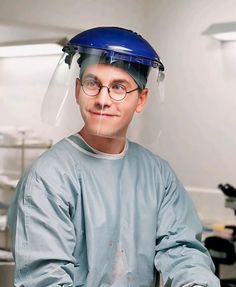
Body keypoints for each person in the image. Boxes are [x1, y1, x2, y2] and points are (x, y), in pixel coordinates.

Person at [8, 27, 220, 287]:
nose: (103, 99)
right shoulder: (48, 178)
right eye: (92, 83)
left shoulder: (157, 175)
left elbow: (183, 252)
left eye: (119, 87)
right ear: (77, 90)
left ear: (141, 99)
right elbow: (44, 279)